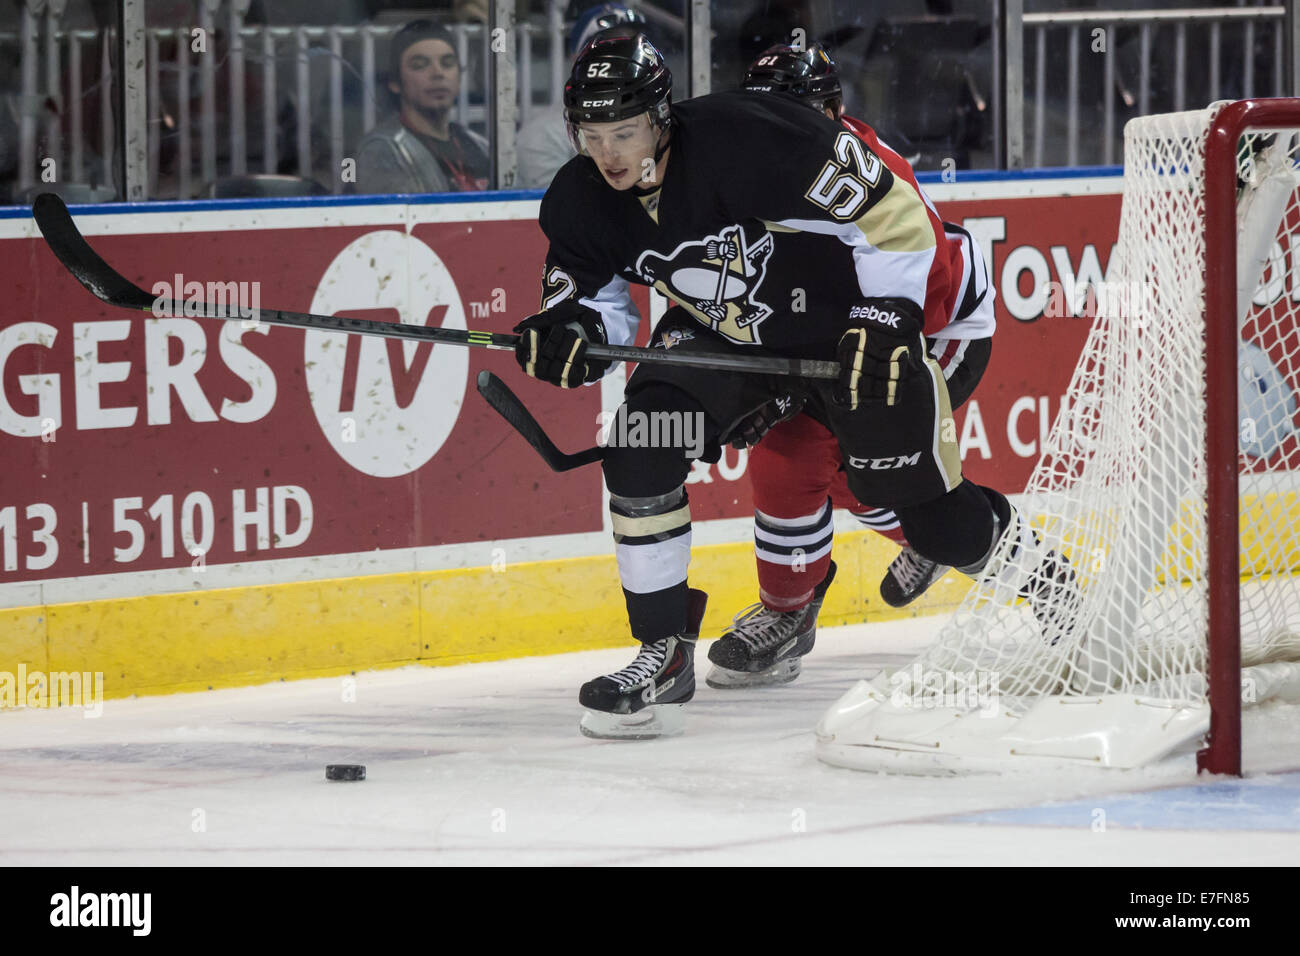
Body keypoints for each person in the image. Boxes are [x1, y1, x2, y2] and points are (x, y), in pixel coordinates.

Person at [513, 32, 1074, 739]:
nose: (610, 155)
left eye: (624, 132)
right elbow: (589, 303)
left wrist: (886, 316)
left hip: (845, 342)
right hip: (732, 345)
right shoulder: (580, 198)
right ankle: (662, 651)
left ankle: (1045, 576)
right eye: (592, 136)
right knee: (641, 444)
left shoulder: (751, 138)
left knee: (932, 520)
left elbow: (892, 212)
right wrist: (566, 337)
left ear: (661, 115)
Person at [702, 43, 996, 689]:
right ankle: (805, 598)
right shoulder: (744, 166)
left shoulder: (869, 171)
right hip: (830, 340)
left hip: (931, 331)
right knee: (817, 465)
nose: (783, 130)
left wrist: (804, 382)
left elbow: (927, 291)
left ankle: (1027, 571)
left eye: (800, 114)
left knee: (818, 456)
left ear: (835, 110)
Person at [515, 3, 647, 190]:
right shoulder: (542, 137)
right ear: (577, 59)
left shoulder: (659, 120)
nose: (624, 58)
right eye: (610, 48)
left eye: (633, 47)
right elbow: (562, 212)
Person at [350, 20, 490, 194]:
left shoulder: (480, 145)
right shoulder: (380, 150)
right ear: (395, 82)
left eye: (447, 63)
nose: (438, 73)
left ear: (459, 78)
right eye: (420, 65)